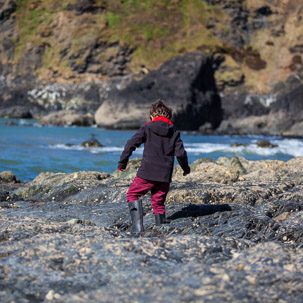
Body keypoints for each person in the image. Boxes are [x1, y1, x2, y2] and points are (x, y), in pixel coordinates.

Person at [117, 99, 190, 233]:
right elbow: (180, 153)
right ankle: (160, 229)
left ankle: (137, 228)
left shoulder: (147, 128)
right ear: (169, 117)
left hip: (147, 173)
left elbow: (130, 144)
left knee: (132, 194)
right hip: (164, 176)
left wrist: (122, 163)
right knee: (158, 202)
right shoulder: (174, 132)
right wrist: (186, 169)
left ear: (152, 116)